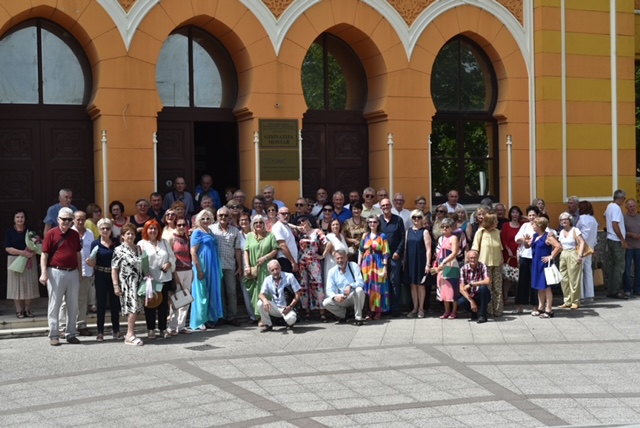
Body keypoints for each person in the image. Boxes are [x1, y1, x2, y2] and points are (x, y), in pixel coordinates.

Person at [39, 207, 83, 346]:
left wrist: (80, 271)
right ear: (58, 219)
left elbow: (78, 254)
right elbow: (44, 255)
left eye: (70, 219)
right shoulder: (51, 234)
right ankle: (54, 334)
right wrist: (44, 273)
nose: (67, 222)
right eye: (64, 219)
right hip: (55, 272)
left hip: (72, 272)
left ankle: (71, 333)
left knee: (73, 304)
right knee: (55, 304)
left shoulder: (75, 235)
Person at [58, 210, 94, 337]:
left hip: (86, 271)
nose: (80, 222)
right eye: (78, 219)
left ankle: (82, 324)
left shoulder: (90, 234)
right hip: (71, 270)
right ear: (73, 220)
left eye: (83, 219)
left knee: (82, 299)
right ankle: (62, 327)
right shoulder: (69, 233)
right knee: (65, 300)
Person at [138, 219, 175, 339]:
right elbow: (139, 261)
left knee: (163, 305)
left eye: (155, 228)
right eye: (150, 228)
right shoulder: (141, 244)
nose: (153, 231)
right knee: (150, 304)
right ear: (146, 230)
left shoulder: (164, 242)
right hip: (149, 279)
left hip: (164, 278)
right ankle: (150, 329)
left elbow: (172, 257)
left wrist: (169, 263)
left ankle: (163, 329)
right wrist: (145, 272)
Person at [87, 218, 121, 341]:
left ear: (111, 229)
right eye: (103, 228)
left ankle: (116, 330)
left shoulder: (116, 243)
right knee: (100, 304)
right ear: (99, 230)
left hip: (114, 276)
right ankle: (100, 331)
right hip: (101, 274)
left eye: (107, 228)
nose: (105, 230)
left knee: (114, 304)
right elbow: (93, 261)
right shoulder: (95, 244)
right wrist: (90, 263)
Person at [190, 210, 224, 330]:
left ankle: (210, 318)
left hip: (213, 265)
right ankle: (199, 320)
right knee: (201, 292)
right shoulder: (197, 233)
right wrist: (199, 270)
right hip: (202, 265)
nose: (205, 221)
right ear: (198, 220)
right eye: (203, 219)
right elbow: (193, 252)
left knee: (212, 291)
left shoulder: (210, 232)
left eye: (208, 218)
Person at [111, 223, 144, 346]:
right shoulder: (119, 250)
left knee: (136, 308)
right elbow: (114, 268)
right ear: (123, 236)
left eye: (132, 233)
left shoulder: (138, 249)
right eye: (127, 233)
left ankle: (131, 333)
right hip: (127, 283)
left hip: (138, 283)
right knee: (132, 308)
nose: (130, 235)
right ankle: (129, 335)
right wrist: (116, 285)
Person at [243, 215, 279, 322]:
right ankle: (259, 317)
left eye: (261, 222)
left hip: (266, 269)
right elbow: (246, 251)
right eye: (256, 223)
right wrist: (247, 266)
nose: (258, 224)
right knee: (255, 292)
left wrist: (265, 257)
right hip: (254, 269)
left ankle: (268, 317)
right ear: (253, 225)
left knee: (266, 292)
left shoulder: (270, 236)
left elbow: (275, 249)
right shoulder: (250, 236)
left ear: (264, 224)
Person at [211, 206, 242, 327]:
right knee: (220, 292)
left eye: (225, 215)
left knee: (232, 292)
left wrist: (239, 265)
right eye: (220, 215)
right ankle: (222, 316)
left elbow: (238, 250)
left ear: (229, 217)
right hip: (216, 266)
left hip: (230, 265)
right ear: (217, 217)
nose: (223, 217)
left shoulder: (235, 231)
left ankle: (232, 316)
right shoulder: (211, 229)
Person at [525, 217, 562, 318]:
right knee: (539, 287)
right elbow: (528, 246)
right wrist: (526, 241)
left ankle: (549, 309)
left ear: (540, 226)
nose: (532, 226)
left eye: (534, 224)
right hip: (536, 263)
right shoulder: (535, 235)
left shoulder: (547, 237)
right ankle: (541, 307)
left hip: (544, 264)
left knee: (546, 287)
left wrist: (551, 256)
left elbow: (558, 246)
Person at [5, 210, 39, 318]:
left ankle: (28, 309)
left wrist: (32, 252)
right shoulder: (9, 231)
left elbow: (37, 244)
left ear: (25, 218)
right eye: (18, 217)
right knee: (16, 286)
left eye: (22, 217)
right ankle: (19, 310)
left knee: (29, 285)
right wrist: (22, 253)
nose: (20, 219)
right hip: (14, 260)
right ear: (14, 219)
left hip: (29, 259)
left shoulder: (30, 230)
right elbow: (7, 248)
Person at [296, 216, 328, 322]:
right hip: (302, 261)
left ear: (309, 221)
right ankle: (307, 311)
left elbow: (327, 243)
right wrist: (298, 227)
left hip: (313, 261)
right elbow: (286, 225)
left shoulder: (317, 231)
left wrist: (322, 255)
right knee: (303, 287)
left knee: (317, 285)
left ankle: (322, 311)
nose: (301, 223)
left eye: (303, 220)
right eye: (299, 222)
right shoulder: (299, 233)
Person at [471, 213, 504, 317]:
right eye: (495, 221)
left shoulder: (497, 232)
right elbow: (475, 248)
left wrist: (502, 260)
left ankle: (498, 310)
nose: (497, 222)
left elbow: (500, 248)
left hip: (497, 263)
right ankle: (488, 310)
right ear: (490, 222)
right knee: (487, 288)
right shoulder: (480, 232)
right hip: (484, 264)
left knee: (498, 288)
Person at [359, 215, 390, 320]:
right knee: (368, 287)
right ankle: (369, 311)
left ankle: (378, 311)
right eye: (370, 222)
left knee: (378, 287)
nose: (372, 224)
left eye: (374, 222)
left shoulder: (382, 236)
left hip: (378, 262)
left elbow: (386, 252)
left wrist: (385, 267)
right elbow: (361, 250)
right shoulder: (365, 235)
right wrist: (359, 264)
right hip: (367, 264)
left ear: (378, 223)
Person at [323, 249, 366, 325]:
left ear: (346, 258)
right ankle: (344, 315)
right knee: (326, 303)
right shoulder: (332, 271)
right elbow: (329, 289)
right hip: (341, 298)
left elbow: (360, 282)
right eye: (337, 258)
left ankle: (358, 318)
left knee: (359, 290)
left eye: (341, 258)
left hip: (353, 296)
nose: (340, 260)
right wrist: (334, 297)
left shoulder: (353, 266)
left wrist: (351, 286)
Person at [379, 198, 405, 316]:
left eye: (387, 205)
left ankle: (396, 308)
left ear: (391, 206)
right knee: (383, 282)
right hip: (381, 257)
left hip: (395, 256)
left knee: (395, 281)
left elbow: (403, 237)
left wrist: (398, 252)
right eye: (383, 205)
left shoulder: (398, 220)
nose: (385, 207)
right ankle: (385, 308)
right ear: (381, 207)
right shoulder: (378, 220)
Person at [257, 260, 301, 332]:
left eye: (277, 269)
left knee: (291, 318)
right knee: (260, 303)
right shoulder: (267, 279)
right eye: (272, 270)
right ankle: (268, 325)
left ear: (280, 268)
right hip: (275, 307)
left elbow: (298, 294)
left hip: (287, 306)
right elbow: (261, 294)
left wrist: (290, 306)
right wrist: (265, 301)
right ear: (269, 272)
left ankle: (288, 323)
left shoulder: (289, 276)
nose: (275, 272)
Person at [404, 209, 432, 319]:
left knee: (421, 285)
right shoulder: (408, 231)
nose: (416, 220)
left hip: (421, 261)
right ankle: (415, 308)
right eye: (414, 217)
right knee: (412, 285)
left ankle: (421, 308)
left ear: (422, 219)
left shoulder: (425, 232)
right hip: (410, 261)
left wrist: (427, 264)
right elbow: (406, 248)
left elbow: (428, 249)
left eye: (419, 217)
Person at [168, 217, 193, 335]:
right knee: (176, 299)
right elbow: (170, 256)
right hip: (177, 270)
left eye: (184, 225)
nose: (182, 227)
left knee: (186, 299)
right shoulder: (172, 238)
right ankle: (172, 326)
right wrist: (174, 273)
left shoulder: (188, 238)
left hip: (188, 269)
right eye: (179, 225)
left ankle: (181, 326)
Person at [514, 206, 541, 314]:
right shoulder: (525, 225)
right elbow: (517, 238)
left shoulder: (541, 226)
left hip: (535, 257)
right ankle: (520, 306)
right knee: (522, 281)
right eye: (529, 215)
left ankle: (535, 306)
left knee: (534, 282)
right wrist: (524, 240)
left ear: (538, 215)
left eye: (533, 215)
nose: (531, 217)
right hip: (524, 256)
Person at [557, 212, 585, 310]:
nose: (563, 221)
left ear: (570, 220)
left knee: (574, 279)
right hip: (563, 254)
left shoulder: (575, 230)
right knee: (564, 279)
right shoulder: (561, 232)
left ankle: (575, 301)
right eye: (561, 219)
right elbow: (560, 245)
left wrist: (580, 255)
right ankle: (567, 300)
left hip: (573, 253)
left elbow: (581, 242)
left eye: (565, 219)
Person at [434, 218, 460, 319]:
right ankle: (446, 311)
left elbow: (454, 253)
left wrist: (444, 261)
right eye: (443, 226)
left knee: (453, 288)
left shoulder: (453, 238)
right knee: (444, 289)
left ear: (451, 228)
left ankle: (454, 311)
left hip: (451, 265)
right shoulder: (440, 238)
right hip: (441, 265)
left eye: (447, 226)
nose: (444, 228)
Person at [604, 189, 628, 299]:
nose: (624, 201)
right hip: (616, 240)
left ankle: (612, 289)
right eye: (624, 199)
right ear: (621, 198)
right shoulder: (617, 208)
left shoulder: (609, 206)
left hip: (610, 238)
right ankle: (615, 290)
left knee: (614, 266)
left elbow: (606, 217)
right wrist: (622, 239)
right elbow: (615, 224)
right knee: (619, 266)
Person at [458, 250, 492, 324]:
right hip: (470, 295)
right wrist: (471, 301)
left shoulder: (483, 266)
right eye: (471, 258)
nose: (473, 260)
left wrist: (471, 284)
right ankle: (474, 312)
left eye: (475, 257)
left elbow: (487, 281)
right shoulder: (463, 269)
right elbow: (461, 288)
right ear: (467, 259)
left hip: (480, 294)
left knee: (483, 288)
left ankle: (483, 315)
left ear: (478, 258)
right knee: (461, 302)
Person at [576, 201, 598, 303]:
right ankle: (590, 294)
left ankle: (580, 295)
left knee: (579, 271)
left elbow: (584, 234)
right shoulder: (593, 219)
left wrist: (579, 243)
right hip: (590, 247)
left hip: (582, 247)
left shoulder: (582, 218)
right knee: (588, 271)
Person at [501, 206, 523, 306]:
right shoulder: (506, 225)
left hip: (519, 252)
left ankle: (518, 298)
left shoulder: (522, 225)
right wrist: (508, 249)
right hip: (508, 254)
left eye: (517, 212)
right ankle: (505, 297)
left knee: (519, 276)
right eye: (513, 212)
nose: (515, 214)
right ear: (510, 214)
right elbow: (503, 239)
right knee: (508, 277)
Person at [271, 207, 298, 273]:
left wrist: (297, 227)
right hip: (284, 260)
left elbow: (288, 224)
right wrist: (293, 262)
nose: (286, 216)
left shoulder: (286, 225)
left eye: (288, 214)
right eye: (283, 214)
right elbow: (282, 246)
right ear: (278, 215)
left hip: (290, 260)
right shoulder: (277, 227)